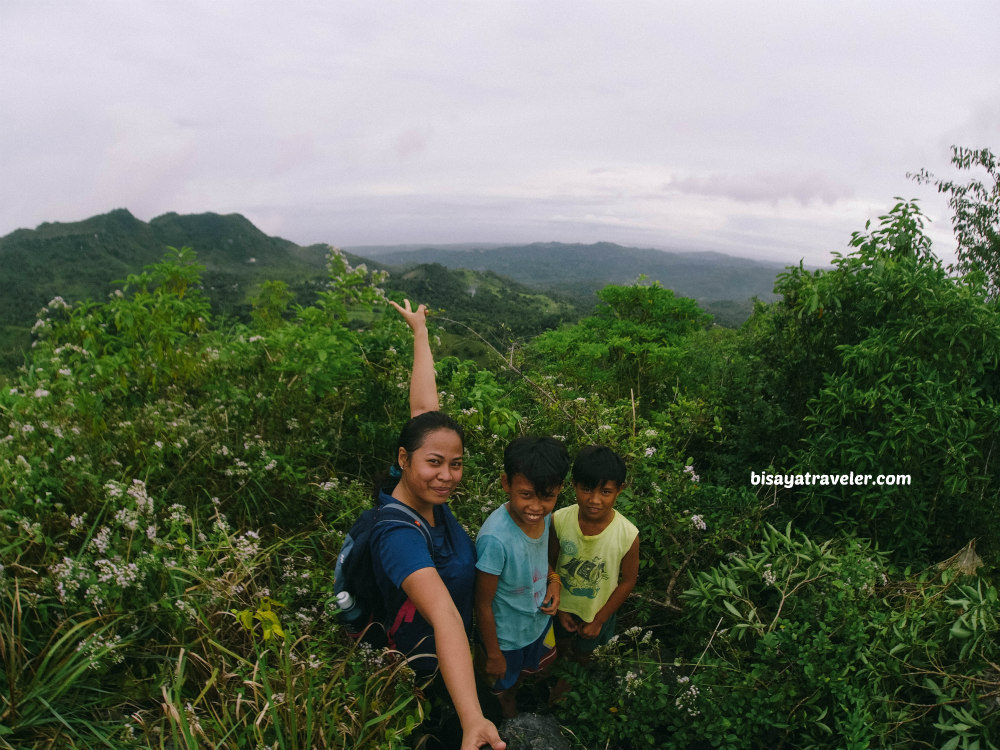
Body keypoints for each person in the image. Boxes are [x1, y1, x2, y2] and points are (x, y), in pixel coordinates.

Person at [371, 299, 505, 750]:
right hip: (421, 667)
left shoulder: (420, 486)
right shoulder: (396, 533)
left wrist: (420, 332)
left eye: (456, 464)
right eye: (434, 463)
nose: (446, 476)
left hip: (451, 659)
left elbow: (424, 407)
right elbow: (445, 616)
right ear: (403, 459)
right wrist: (473, 718)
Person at [475, 436, 570, 718]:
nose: (536, 507)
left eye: (547, 496)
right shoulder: (495, 539)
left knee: (525, 674)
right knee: (502, 686)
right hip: (505, 638)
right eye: (526, 494)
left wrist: (554, 580)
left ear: (559, 490)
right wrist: (493, 653)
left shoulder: (546, 519)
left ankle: (517, 694)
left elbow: (545, 561)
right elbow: (482, 603)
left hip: (536, 624)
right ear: (506, 483)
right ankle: (509, 718)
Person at [548, 445, 640, 673]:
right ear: (574, 485)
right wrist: (560, 609)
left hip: (599, 609)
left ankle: (573, 680)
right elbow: (547, 562)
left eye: (605, 492)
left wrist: (599, 619)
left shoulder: (628, 534)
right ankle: (557, 672)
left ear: (620, 490)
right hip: (560, 606)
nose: (594, 500)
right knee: (558, 645)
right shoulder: (559, 520)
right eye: (587, 489)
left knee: (585, 653)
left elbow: (628, 580)